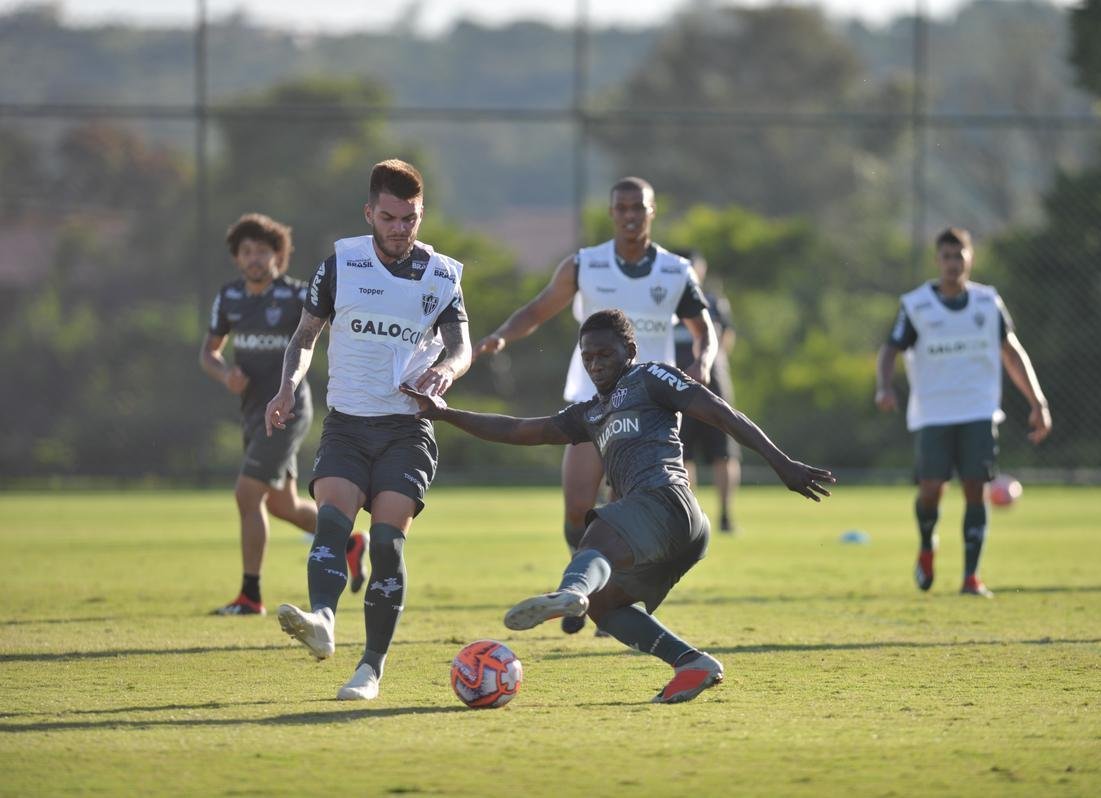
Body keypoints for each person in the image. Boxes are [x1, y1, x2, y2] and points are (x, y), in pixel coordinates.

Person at [406, 309, 835, 703]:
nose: (596, 364)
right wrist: (445, 415)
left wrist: (783, 464)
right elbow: (519, 429)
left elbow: (722, 413)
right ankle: (690, 663)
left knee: (597, 531)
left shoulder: (651, 378)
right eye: (588, 357)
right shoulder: (590, 412)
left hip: (667, 500)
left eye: (605, 354)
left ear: (629, 351)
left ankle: (571, 591)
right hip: (675, 531)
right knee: (606, 607)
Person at [263, 159, 472, 701]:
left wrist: (445, 372)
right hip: (347, 427)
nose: (400, 228)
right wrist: (287, 387)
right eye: (389, 217)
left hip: (407, 430)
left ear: (420, 215)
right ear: (370, 213)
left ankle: (371, 669)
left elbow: (460, 346)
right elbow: (305, 337)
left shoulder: (443, 274)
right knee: (332, 523)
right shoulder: (339, 264)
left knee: (385, 541)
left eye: (410, 218)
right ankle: (324, 622)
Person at [473, 176, 717, 634]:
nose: (630, 216)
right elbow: (539, 308)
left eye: (638, 208)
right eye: (621, 208)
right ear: (611, 213)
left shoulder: (675, 270)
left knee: (627, 507)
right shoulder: (585, 265)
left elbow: (704, 327)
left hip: (650, 408)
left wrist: (701, 361)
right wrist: (503, 334)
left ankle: (606, 598)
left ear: (652, 211)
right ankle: (578, 586)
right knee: (576, 506)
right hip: (589, 401)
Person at [200, 213, 367, 616]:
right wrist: (226, 375)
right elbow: (209, 352)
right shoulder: (229, 298)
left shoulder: (296, 296)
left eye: (263, 251)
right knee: (281, 505)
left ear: (279, 255)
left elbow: (326, 334)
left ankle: (250, 595)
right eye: (247, 252)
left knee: (246, 493)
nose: (254, 258)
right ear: (238, 259)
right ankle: (348, 543)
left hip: (288, 408)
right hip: (253, 412)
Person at [875, 227, 1051, 598]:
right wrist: (885, 386)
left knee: (976, 488)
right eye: (947, 256)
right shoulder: (916, 304)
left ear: (970, 258)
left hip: (978, 410)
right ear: (937, 260)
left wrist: (1037, 402)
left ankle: (971, 577)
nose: (953, 263)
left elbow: (1012, 353)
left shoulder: (988, 303)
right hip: (933, 413)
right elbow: (890, 350)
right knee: (930, 491)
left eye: (960, 256)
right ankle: (927, 545)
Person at [672, 249, 741, 533]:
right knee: (681, 454)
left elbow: (726, 340)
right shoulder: (666, 302)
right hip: (676, 385)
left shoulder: (713, 303)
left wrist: (708, 365)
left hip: (714, 384)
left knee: (723, 452)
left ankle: (726, 515)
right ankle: (691, 516)